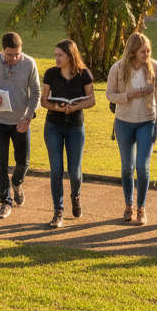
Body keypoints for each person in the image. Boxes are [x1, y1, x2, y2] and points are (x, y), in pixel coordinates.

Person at [0, 31, 41, 219]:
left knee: (23, 162)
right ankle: (5, 202)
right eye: (9, 54)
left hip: (21, 121)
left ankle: (17, 182)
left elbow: (36, 91)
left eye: (17, 54)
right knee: (0, 165)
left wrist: (28, 117)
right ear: (2, 50)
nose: (13, 58)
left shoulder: (29, 63)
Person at [106, 33, 157, 225]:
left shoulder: (154, 67)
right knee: (127, 167)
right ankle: (128, 206)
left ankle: (141, 207)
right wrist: (130, 94)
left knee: (142, 167)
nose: (146, 54)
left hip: (147, 120)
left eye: (148, 51)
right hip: (123, 121)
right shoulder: (118, 68)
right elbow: (109, 95)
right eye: (142, 51)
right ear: (132, 52)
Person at [41, 38, 95, 228]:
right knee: (56, 171)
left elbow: (91, 100)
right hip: (53, 126)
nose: (56, 59)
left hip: (75, 126)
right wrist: (58, 106)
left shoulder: (84, 74)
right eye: (55, 55)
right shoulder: (50, 74)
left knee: (74, 171)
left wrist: (74, 107)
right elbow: (43, 101)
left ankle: (76, 196)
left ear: (70, 56)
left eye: (60, 55)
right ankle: (58, 211)